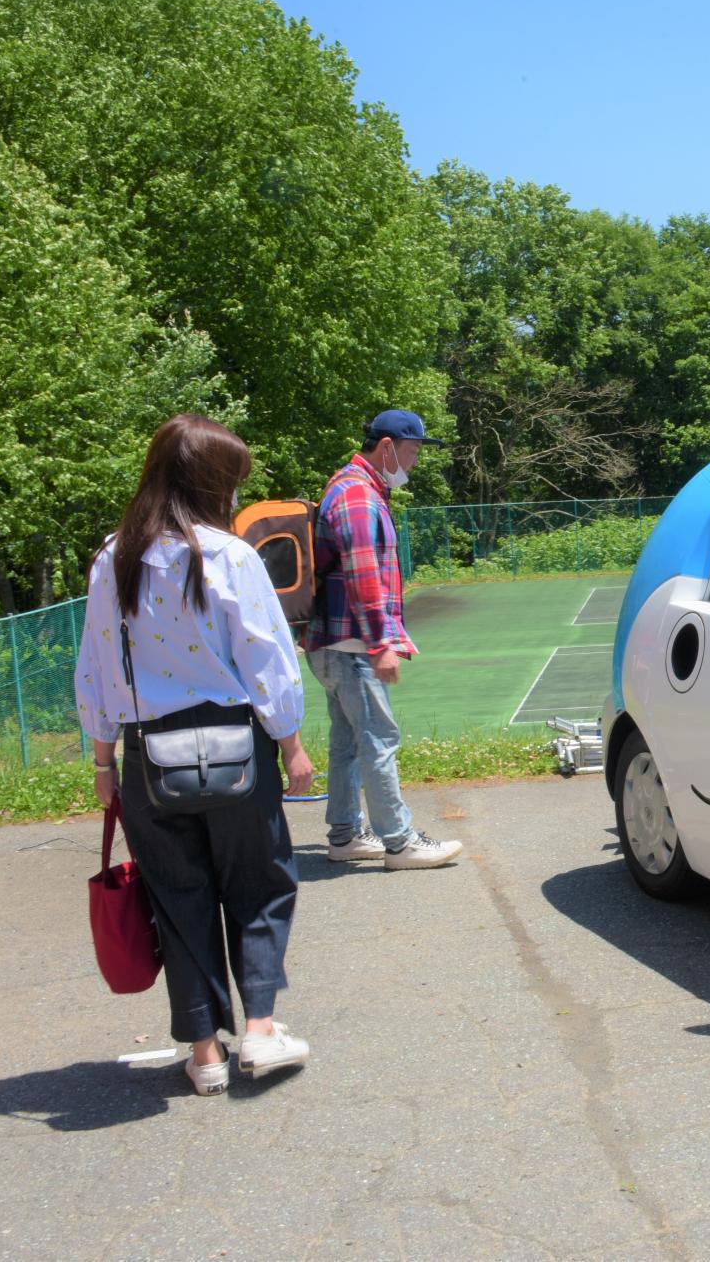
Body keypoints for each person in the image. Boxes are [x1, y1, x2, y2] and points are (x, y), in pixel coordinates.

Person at [75, 414, 317, 1096]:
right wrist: (291, 741)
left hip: (148, 754)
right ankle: (261, 1030)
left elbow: (96, 669)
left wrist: (101, 762)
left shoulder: (112, 557)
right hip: (236, 746)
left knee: (177, 896)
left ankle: (206, 1051)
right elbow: (266, 657)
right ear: (210, 482)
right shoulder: (230, 554)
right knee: (259, 882)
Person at [305, 410, 463, 869]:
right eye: (412, 452)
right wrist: (380, 644)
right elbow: (363, 575)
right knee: (378, 738)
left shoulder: (353, 486)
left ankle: (345, 835)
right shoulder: (357, 495)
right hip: (353, 646)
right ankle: (400, 842)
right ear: (388, 446)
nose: (414, 463)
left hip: (335, 644)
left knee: (348, 742)